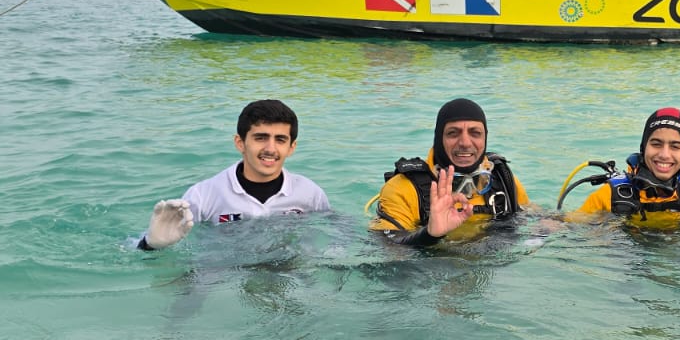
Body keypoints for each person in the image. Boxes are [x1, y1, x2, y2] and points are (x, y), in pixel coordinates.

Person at [139, 99, 331, 250]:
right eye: (260, 138)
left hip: (289, 270)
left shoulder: (310, 193)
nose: (270, 149)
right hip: (222, 275)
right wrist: (150, 244)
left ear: (291, 147)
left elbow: (337, 233)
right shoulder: (203, 195)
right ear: (240, 143)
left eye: (280, 140)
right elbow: (151, 240)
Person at [373, 98, 530, 245]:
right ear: (439, 138)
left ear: (485, 139)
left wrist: (549, 223)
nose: (465, 143)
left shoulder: (503, 180)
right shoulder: (402, 189)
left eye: (475, 133)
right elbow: (387, 250)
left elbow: (532, 217)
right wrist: (429, 235)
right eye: (453, 133)